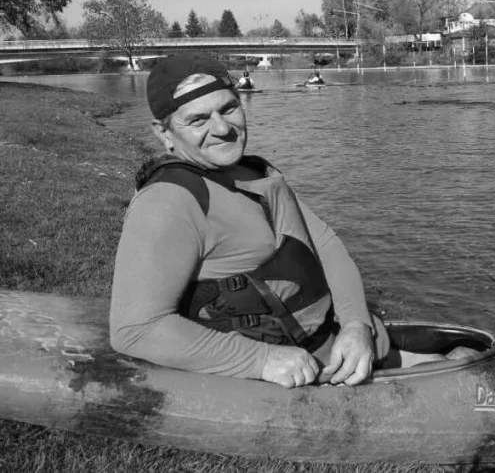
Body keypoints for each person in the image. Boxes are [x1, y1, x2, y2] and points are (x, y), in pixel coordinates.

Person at [110, 56, 454, 389]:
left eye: (229, 108)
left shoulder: (255, 174)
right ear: (164, 132)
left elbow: (325, 246)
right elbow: (135, 330)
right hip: (297, 377)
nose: (222, 128)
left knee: (465, 353)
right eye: (198, 120)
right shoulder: (168, 201)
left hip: (338, 348)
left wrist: (356, 324)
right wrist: (262, 360)